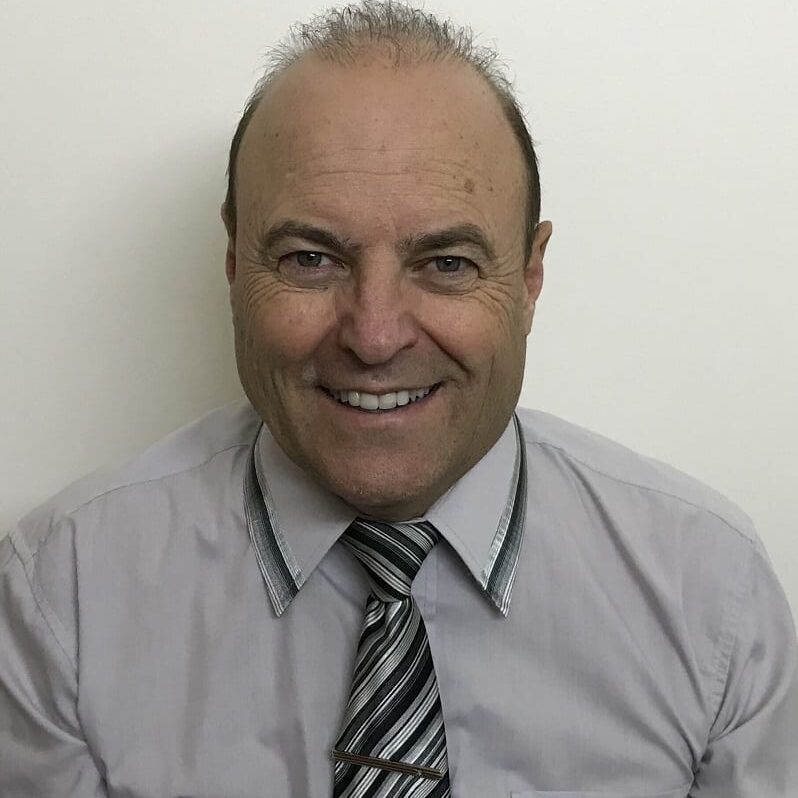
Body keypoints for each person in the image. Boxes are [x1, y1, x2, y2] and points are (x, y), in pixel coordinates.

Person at [1, 2, 796, 796]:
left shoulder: (712, 597)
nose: (375, 337)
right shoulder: (63, 599)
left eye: (446, 263)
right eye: (311, 258)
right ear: (236, 262)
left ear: (529, 277)